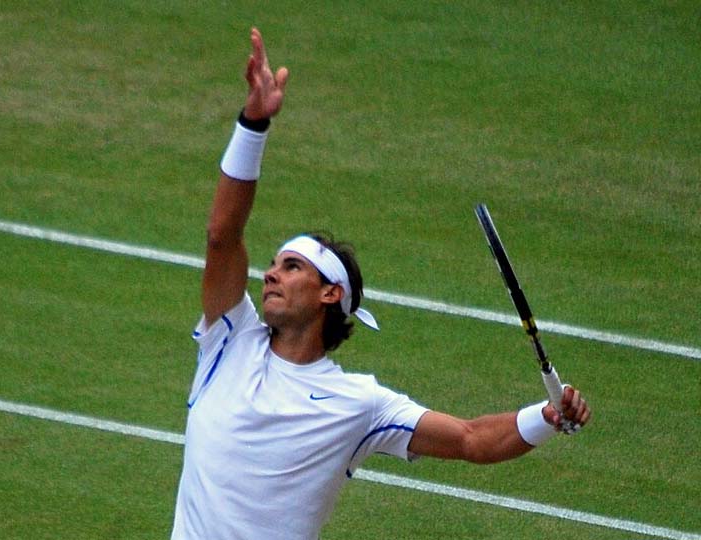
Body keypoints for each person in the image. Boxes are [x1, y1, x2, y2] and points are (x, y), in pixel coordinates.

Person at [170, 28, 591, 540]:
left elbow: (471, 439)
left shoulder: (360, 404)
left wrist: (547, 416)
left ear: (330, 294)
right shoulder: (228, 342)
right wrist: (253, 122)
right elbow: (222, 236)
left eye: (292, 266)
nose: (271, 273)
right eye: (275, 264)